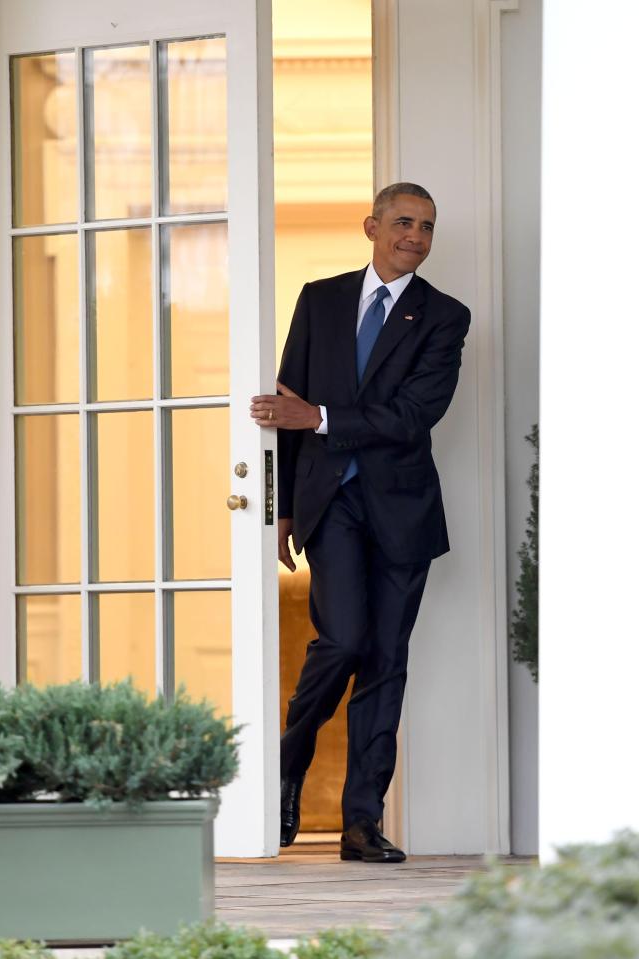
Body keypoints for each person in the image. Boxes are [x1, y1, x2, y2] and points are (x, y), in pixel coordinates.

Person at [250, 183, 470, 863]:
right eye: (404, 222)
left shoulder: (445, 317)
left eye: (428, 227)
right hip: (331, 503)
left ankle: (360, 821)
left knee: (385, 661)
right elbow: (286, 402)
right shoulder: (320, 298)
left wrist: (318, 418)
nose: (416, 236)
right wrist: (283, 506)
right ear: (371, 225)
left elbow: (412, 417)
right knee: (342, 640)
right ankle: (286, 765)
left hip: (403, 511)